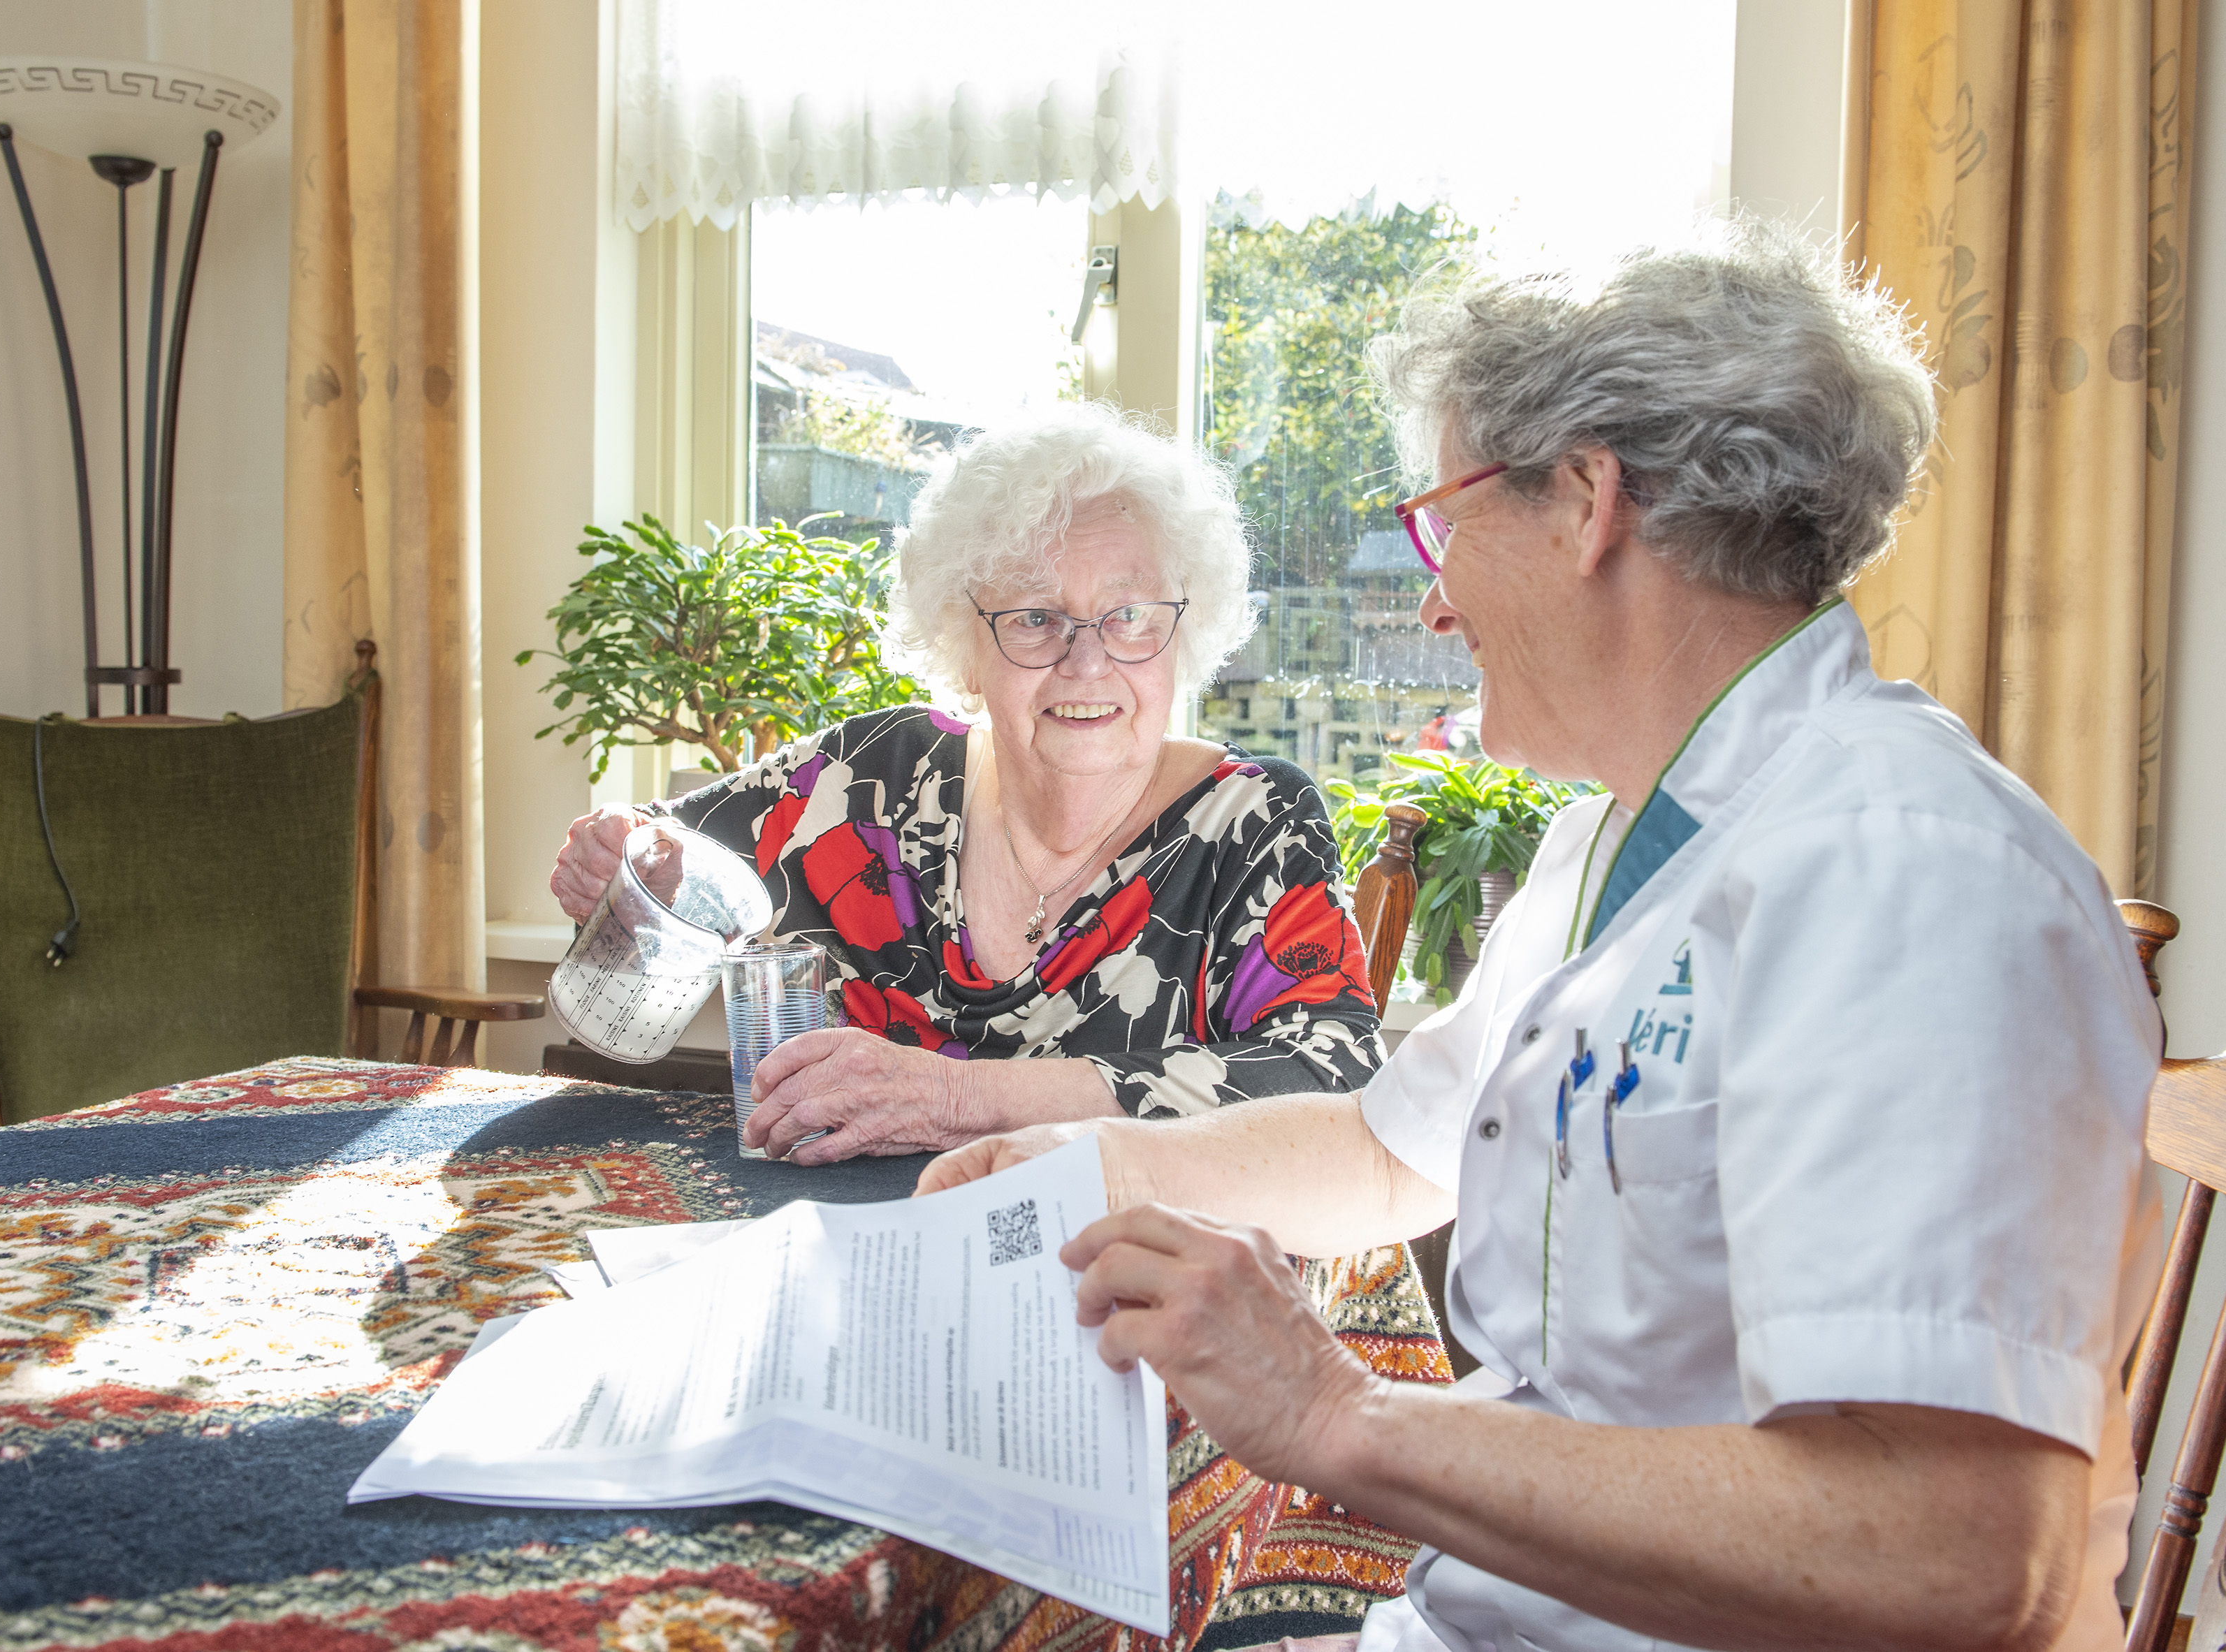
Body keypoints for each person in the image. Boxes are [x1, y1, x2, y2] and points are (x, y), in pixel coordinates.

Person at [922, 224, 2163, 1652]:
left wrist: (1338, 1413)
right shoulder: (1612, 840)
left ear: (1584, 501)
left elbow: (1953, 1561)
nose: (1435, 595)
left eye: (1443, 524)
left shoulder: (1908, 875)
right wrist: (1086, 1166)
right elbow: (1394, 1152)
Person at [551, 403, 1384, 1163]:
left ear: (1183, 632)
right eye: (1033, 618)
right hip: (870, 1264)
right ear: (966, 644)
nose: (1086, 661)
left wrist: (957, 1099)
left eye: (1129, 616)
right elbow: (674, 851)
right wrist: (625, 861)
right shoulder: (870, 778)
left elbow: (1334, 1074)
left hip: (1126, 1287)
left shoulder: (1255, 823)